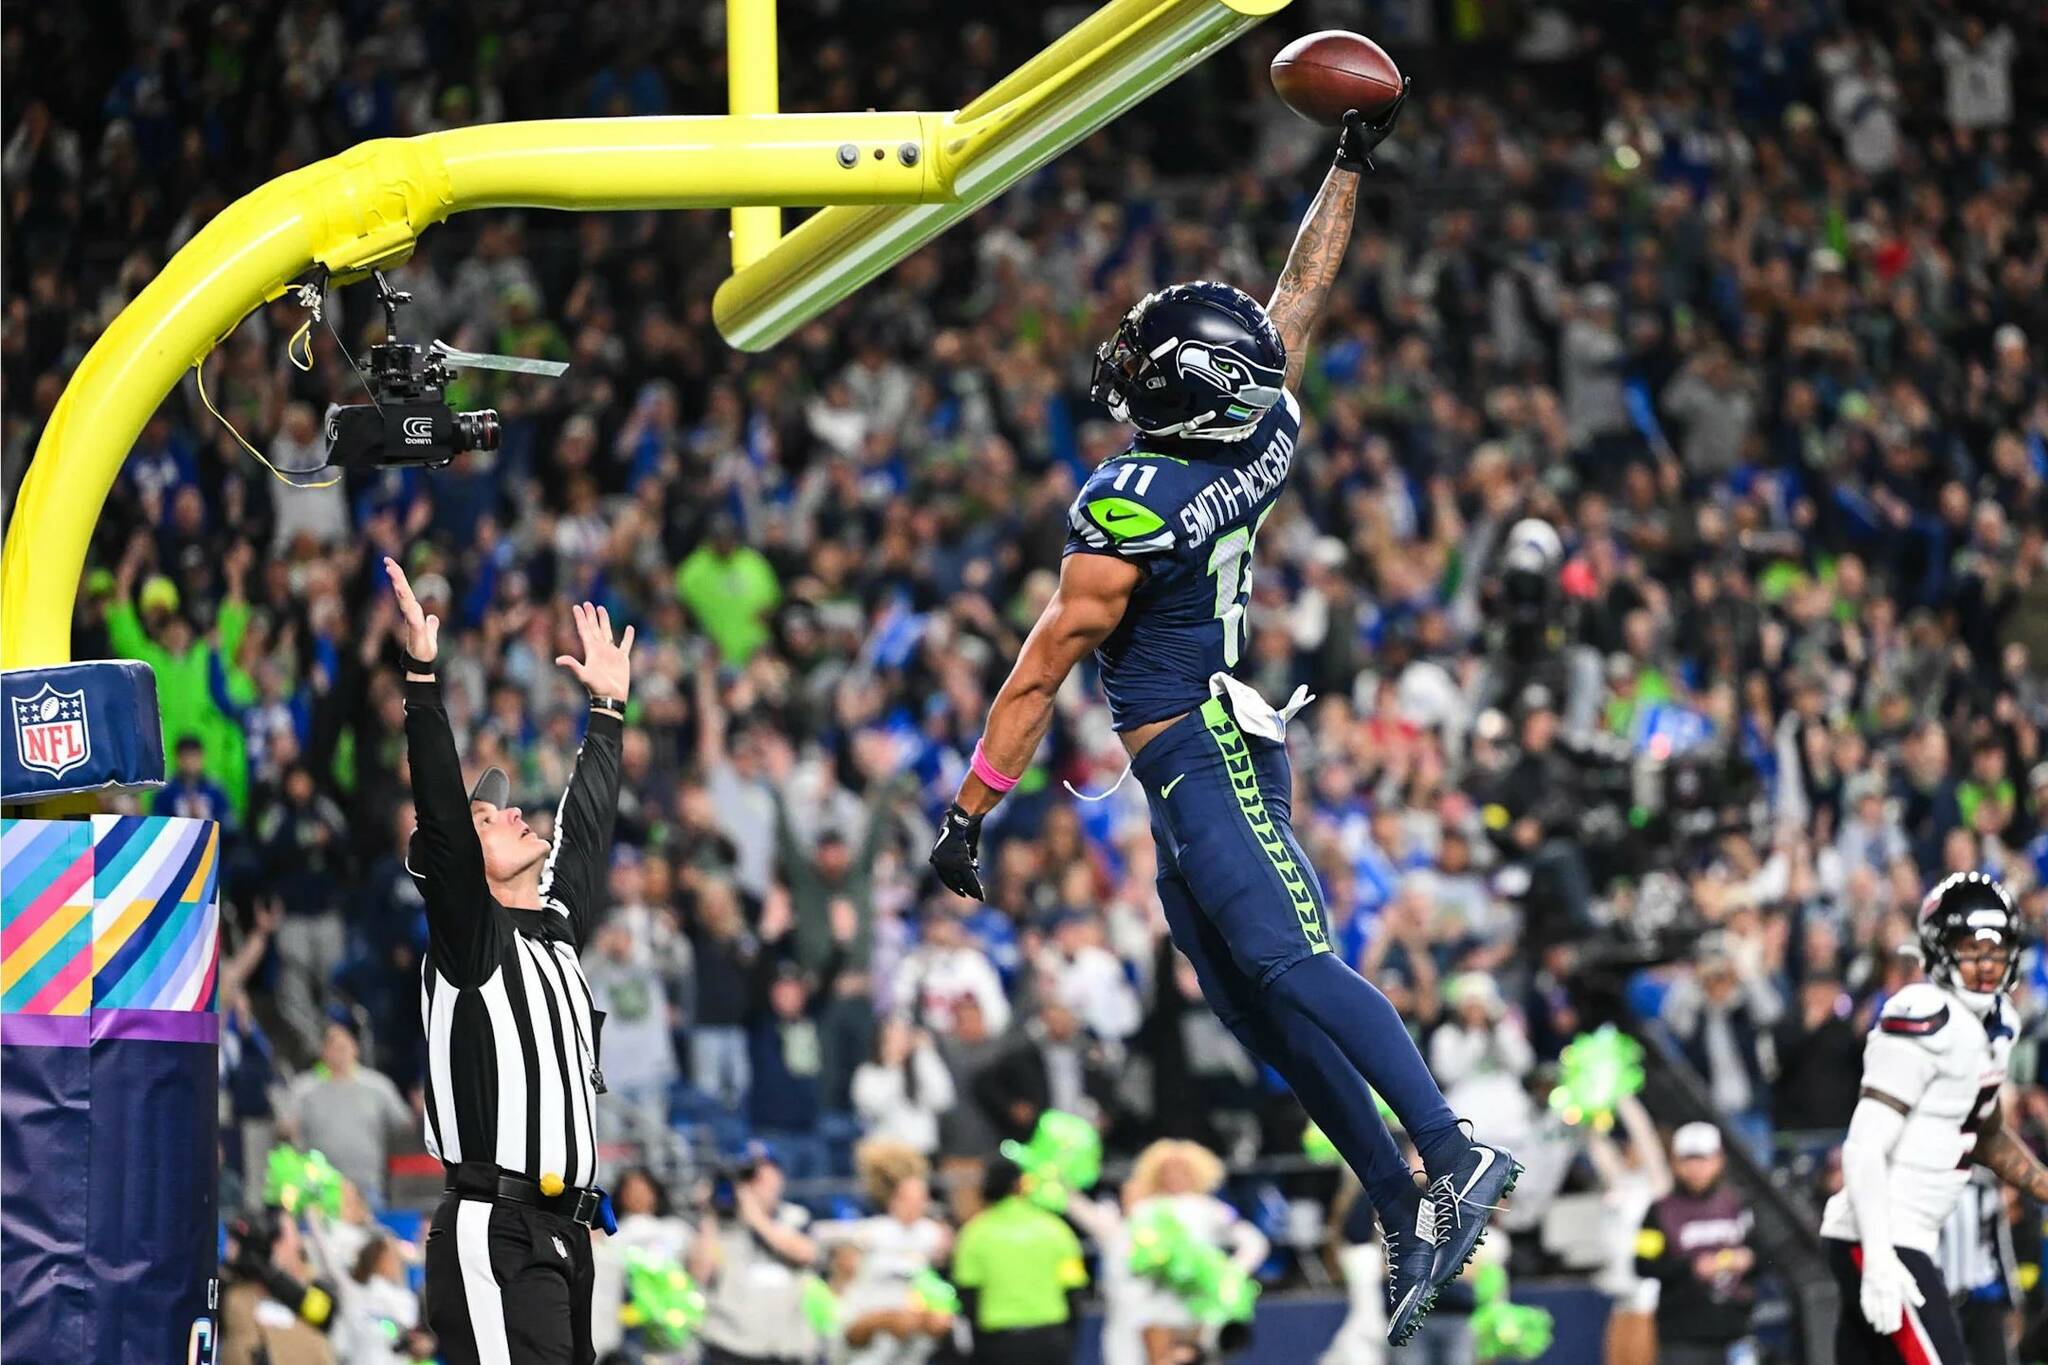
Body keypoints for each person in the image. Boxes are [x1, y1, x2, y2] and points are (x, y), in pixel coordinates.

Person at [926, 89, 1515, 1345]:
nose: (1124, 374)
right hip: (1193, 756)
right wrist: (1347, 161)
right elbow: (1294, 297)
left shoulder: (1128, 509)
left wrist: (969, 810)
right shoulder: (1263, 424)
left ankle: (1448, 1150)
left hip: (1206, 747)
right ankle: (1396, 1200)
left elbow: (1034, 677)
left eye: (1145, 367)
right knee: (1249, 1002)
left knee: (1290, 963)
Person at [388, 558, 634, 1365]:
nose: (515, 812)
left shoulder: (555, 927)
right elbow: (441, 817)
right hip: (494, 1230)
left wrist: (608, 710)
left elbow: (588, 829)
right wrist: (423, 682)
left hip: (565, 1234)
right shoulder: (470, 937)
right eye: (489, 816)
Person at [1821, 873, 2048, 1365]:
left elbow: (1983, 1134)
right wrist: (1880, 1260)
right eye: (1971, 949)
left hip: (1907, 1239)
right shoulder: (1924, 1013)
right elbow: (1864, 1147)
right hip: (1880, 1236)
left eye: (1997, 949)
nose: (1987, 965)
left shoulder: (2000, 1024)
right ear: (1939, 951)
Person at [1095, 1139, 1269, 1365]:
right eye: (1168, 1170)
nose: (1175, 1176)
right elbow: (1127, 1255)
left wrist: (1231, 1272)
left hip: (1197, 1302)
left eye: (1182, 1170)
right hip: (1155, 1302)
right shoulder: (1144, 1210)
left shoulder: (1209, 1208)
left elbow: (1253, 1241)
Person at [1633, 1123, 1758, 1365]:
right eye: (1688, 1160)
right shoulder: (1658, 1211)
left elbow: (1765, 1256)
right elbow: (1642, 1265)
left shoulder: (1740, 1205)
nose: (1697, 1169)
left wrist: (1749, 1259)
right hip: (1682, 1336)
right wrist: (1691, 1268)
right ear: (1675, 1163)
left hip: (1735, 1331)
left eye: (1703, 1160)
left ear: (1719, 1160)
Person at [688, 1148, 822, 1365]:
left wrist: (755, 1217)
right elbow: (700, 1274)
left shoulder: (794, 1217)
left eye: (767, 1178)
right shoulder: (720, 1225)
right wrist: (709, 1213)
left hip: (786, 1347)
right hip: (730, 1346)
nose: (762, 1186)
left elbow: (805, 1254)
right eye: (753, 1179)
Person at [951, 1156, 1090, 1364]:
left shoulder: (974, 1233)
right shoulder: (1056, 1229)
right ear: (1022, 1185)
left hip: (998, 1344)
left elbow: (968, 1293)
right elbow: (1074, 1288)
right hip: (1049, 1340)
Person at [277, 1018, 412, 1205]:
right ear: (323, 1052)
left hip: (368, 1186)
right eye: (333, 1047)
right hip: (319, 1186)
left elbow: (404, 1123)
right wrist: (288, 1130)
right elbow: (285, 1127)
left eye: (344, 1046)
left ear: (355, 1048)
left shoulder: (378, 1086)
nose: (339, 1053)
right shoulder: (303, 1088)